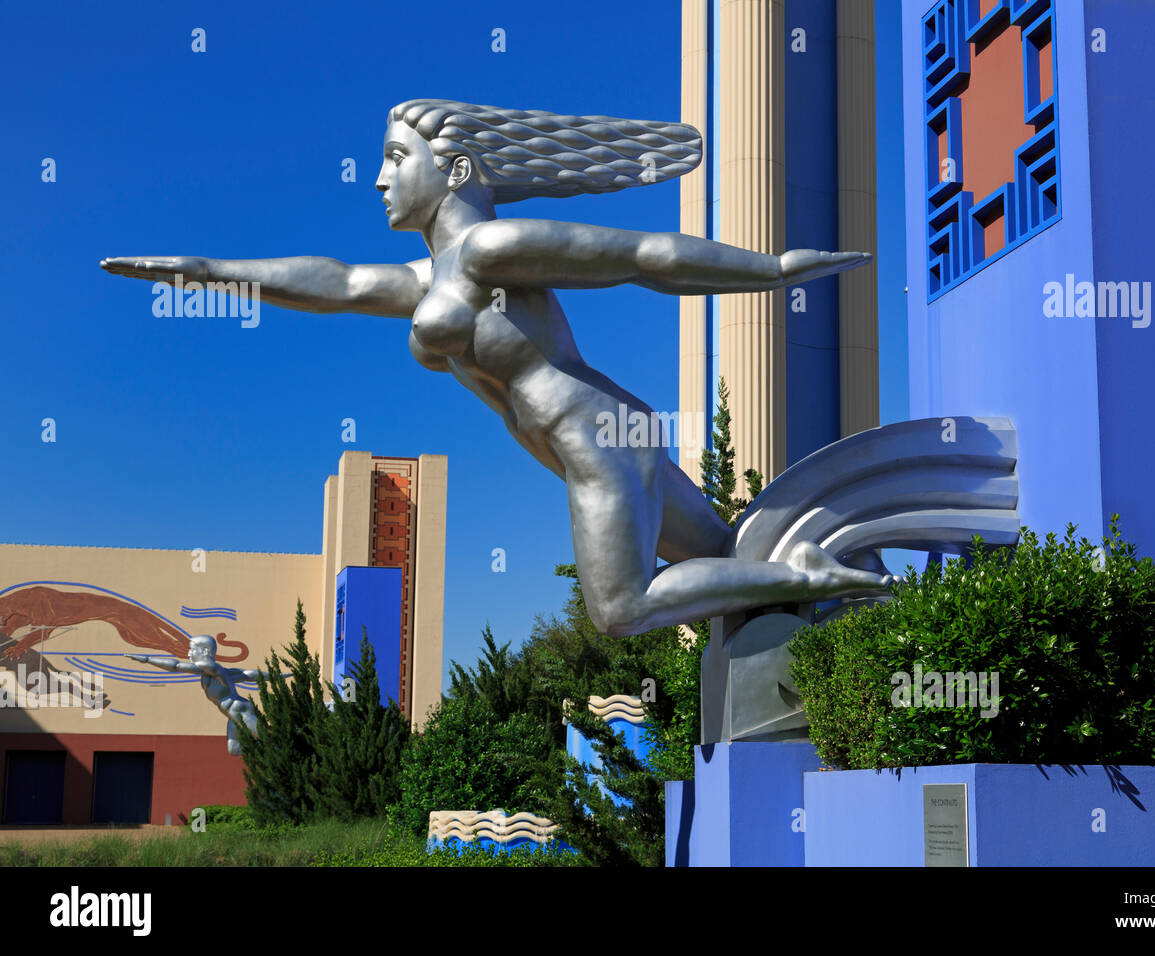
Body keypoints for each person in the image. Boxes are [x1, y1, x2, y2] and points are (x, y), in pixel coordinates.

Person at [103, 99, 894, 636]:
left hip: (597, 441)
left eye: (393, 159)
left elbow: (640, 258)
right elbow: (334, 283)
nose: (378, 180)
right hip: (596, 441)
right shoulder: (425, 280)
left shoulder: (489, 248)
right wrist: (203, 269)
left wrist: (769, 270)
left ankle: (819, 579)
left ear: (452, 171)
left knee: (620, 611)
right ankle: (827, 603)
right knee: (729, 567)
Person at [129, 636, 265, 755]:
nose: (189, 654)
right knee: (234, 749)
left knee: (268, 739)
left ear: (205, 651)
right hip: (231, 714)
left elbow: (176, 666)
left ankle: (281, 753)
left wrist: (147, 659)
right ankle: (269, 757)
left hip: (238, 710)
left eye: (192, 649)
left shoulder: (210, 666)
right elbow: (247, 675)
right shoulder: (212, 671)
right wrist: (277, 676)